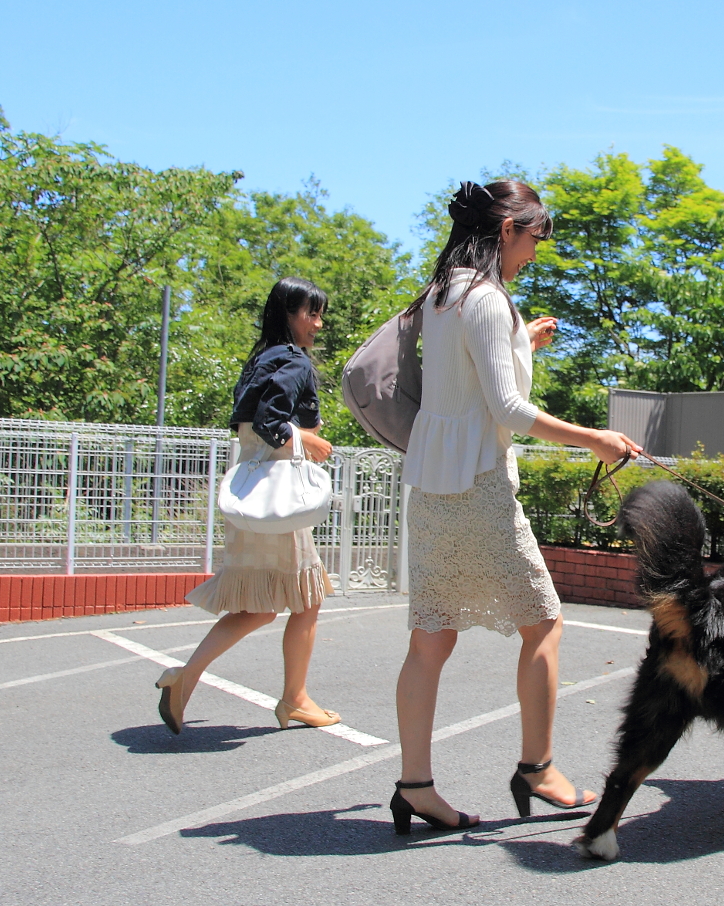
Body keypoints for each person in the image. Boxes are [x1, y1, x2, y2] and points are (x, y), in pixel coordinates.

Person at [388, 180, 641, 835]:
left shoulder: (445, 292)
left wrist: (522, 338)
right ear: (508, 230)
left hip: (432, 484)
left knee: (430, 638)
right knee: (545, 622)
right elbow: (507, 411)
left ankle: (415, 785)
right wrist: (599, 438)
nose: (534, 254)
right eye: (533, 240)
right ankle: (538, 766)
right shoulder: (489, 299)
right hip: (479, 485)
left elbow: (466, 381)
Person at [154, 277, 343, 735]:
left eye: (319, 313)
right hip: (279, 501)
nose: (317, 323)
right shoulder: (294, 361)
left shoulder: (260, 359)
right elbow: (270, 421)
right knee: (306, 597)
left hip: (254, 494)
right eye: (309, 313)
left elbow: (246, 423)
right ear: (287, 314)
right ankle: (292, 699)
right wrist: (307, 438)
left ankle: (186, 677)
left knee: (265, 604)